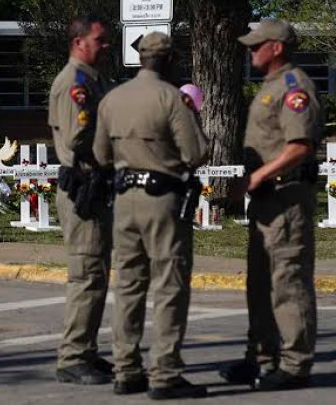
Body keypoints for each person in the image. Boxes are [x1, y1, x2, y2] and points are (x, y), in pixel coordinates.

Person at [94, 32, 209, 400]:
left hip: (124, 198)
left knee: (127, 285)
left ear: (140, 57)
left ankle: (126, 369)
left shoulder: (113, 99)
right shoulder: (172, 98)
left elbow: (100, 155)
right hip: (162, 199)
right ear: (171, 59)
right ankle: (165, 372)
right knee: (169, 284)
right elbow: (195, 153)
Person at [219, 19, 322, 391]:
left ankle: (295, 366)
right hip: (265, 203)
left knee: (288, 284)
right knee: (260, 284)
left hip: (286, 200)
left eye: (256, 45)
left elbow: (300, 147)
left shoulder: (295, 88)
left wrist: (259, 176)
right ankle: (261, 358)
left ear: (276, 47)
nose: (250, 51)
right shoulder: (270, 87)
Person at [48, 13, 115, 385]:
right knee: (86, 275)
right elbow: (79, 139)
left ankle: (86, 350)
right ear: (78, 42)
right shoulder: (75, 82)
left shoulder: (94, 79)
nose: (106, 46)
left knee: (97, 274)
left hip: (97, 186)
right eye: (100, 40)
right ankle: (72, 357)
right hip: (83, 185)